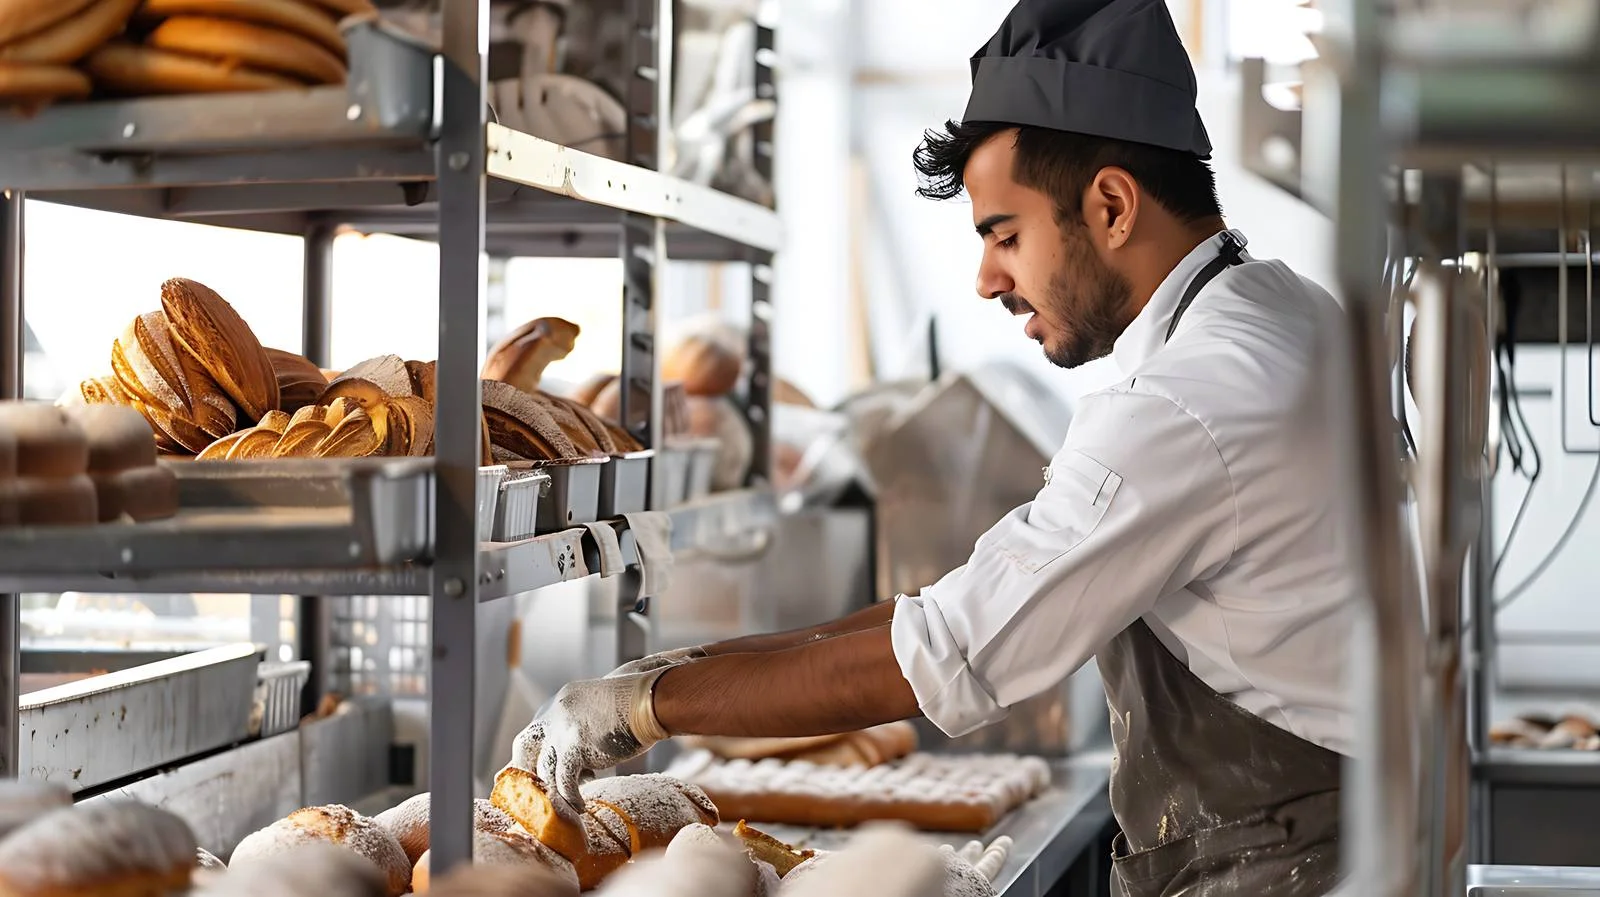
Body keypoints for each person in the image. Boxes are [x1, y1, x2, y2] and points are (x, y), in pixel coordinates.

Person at [512, 0, 1360, 893]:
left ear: (1112, 204)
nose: (989, 277)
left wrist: (641, 709)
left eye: (1005, 234)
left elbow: (942, 654)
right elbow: (938, 612)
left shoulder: (1183, 403)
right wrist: (680, 671)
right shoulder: (1290, 315)